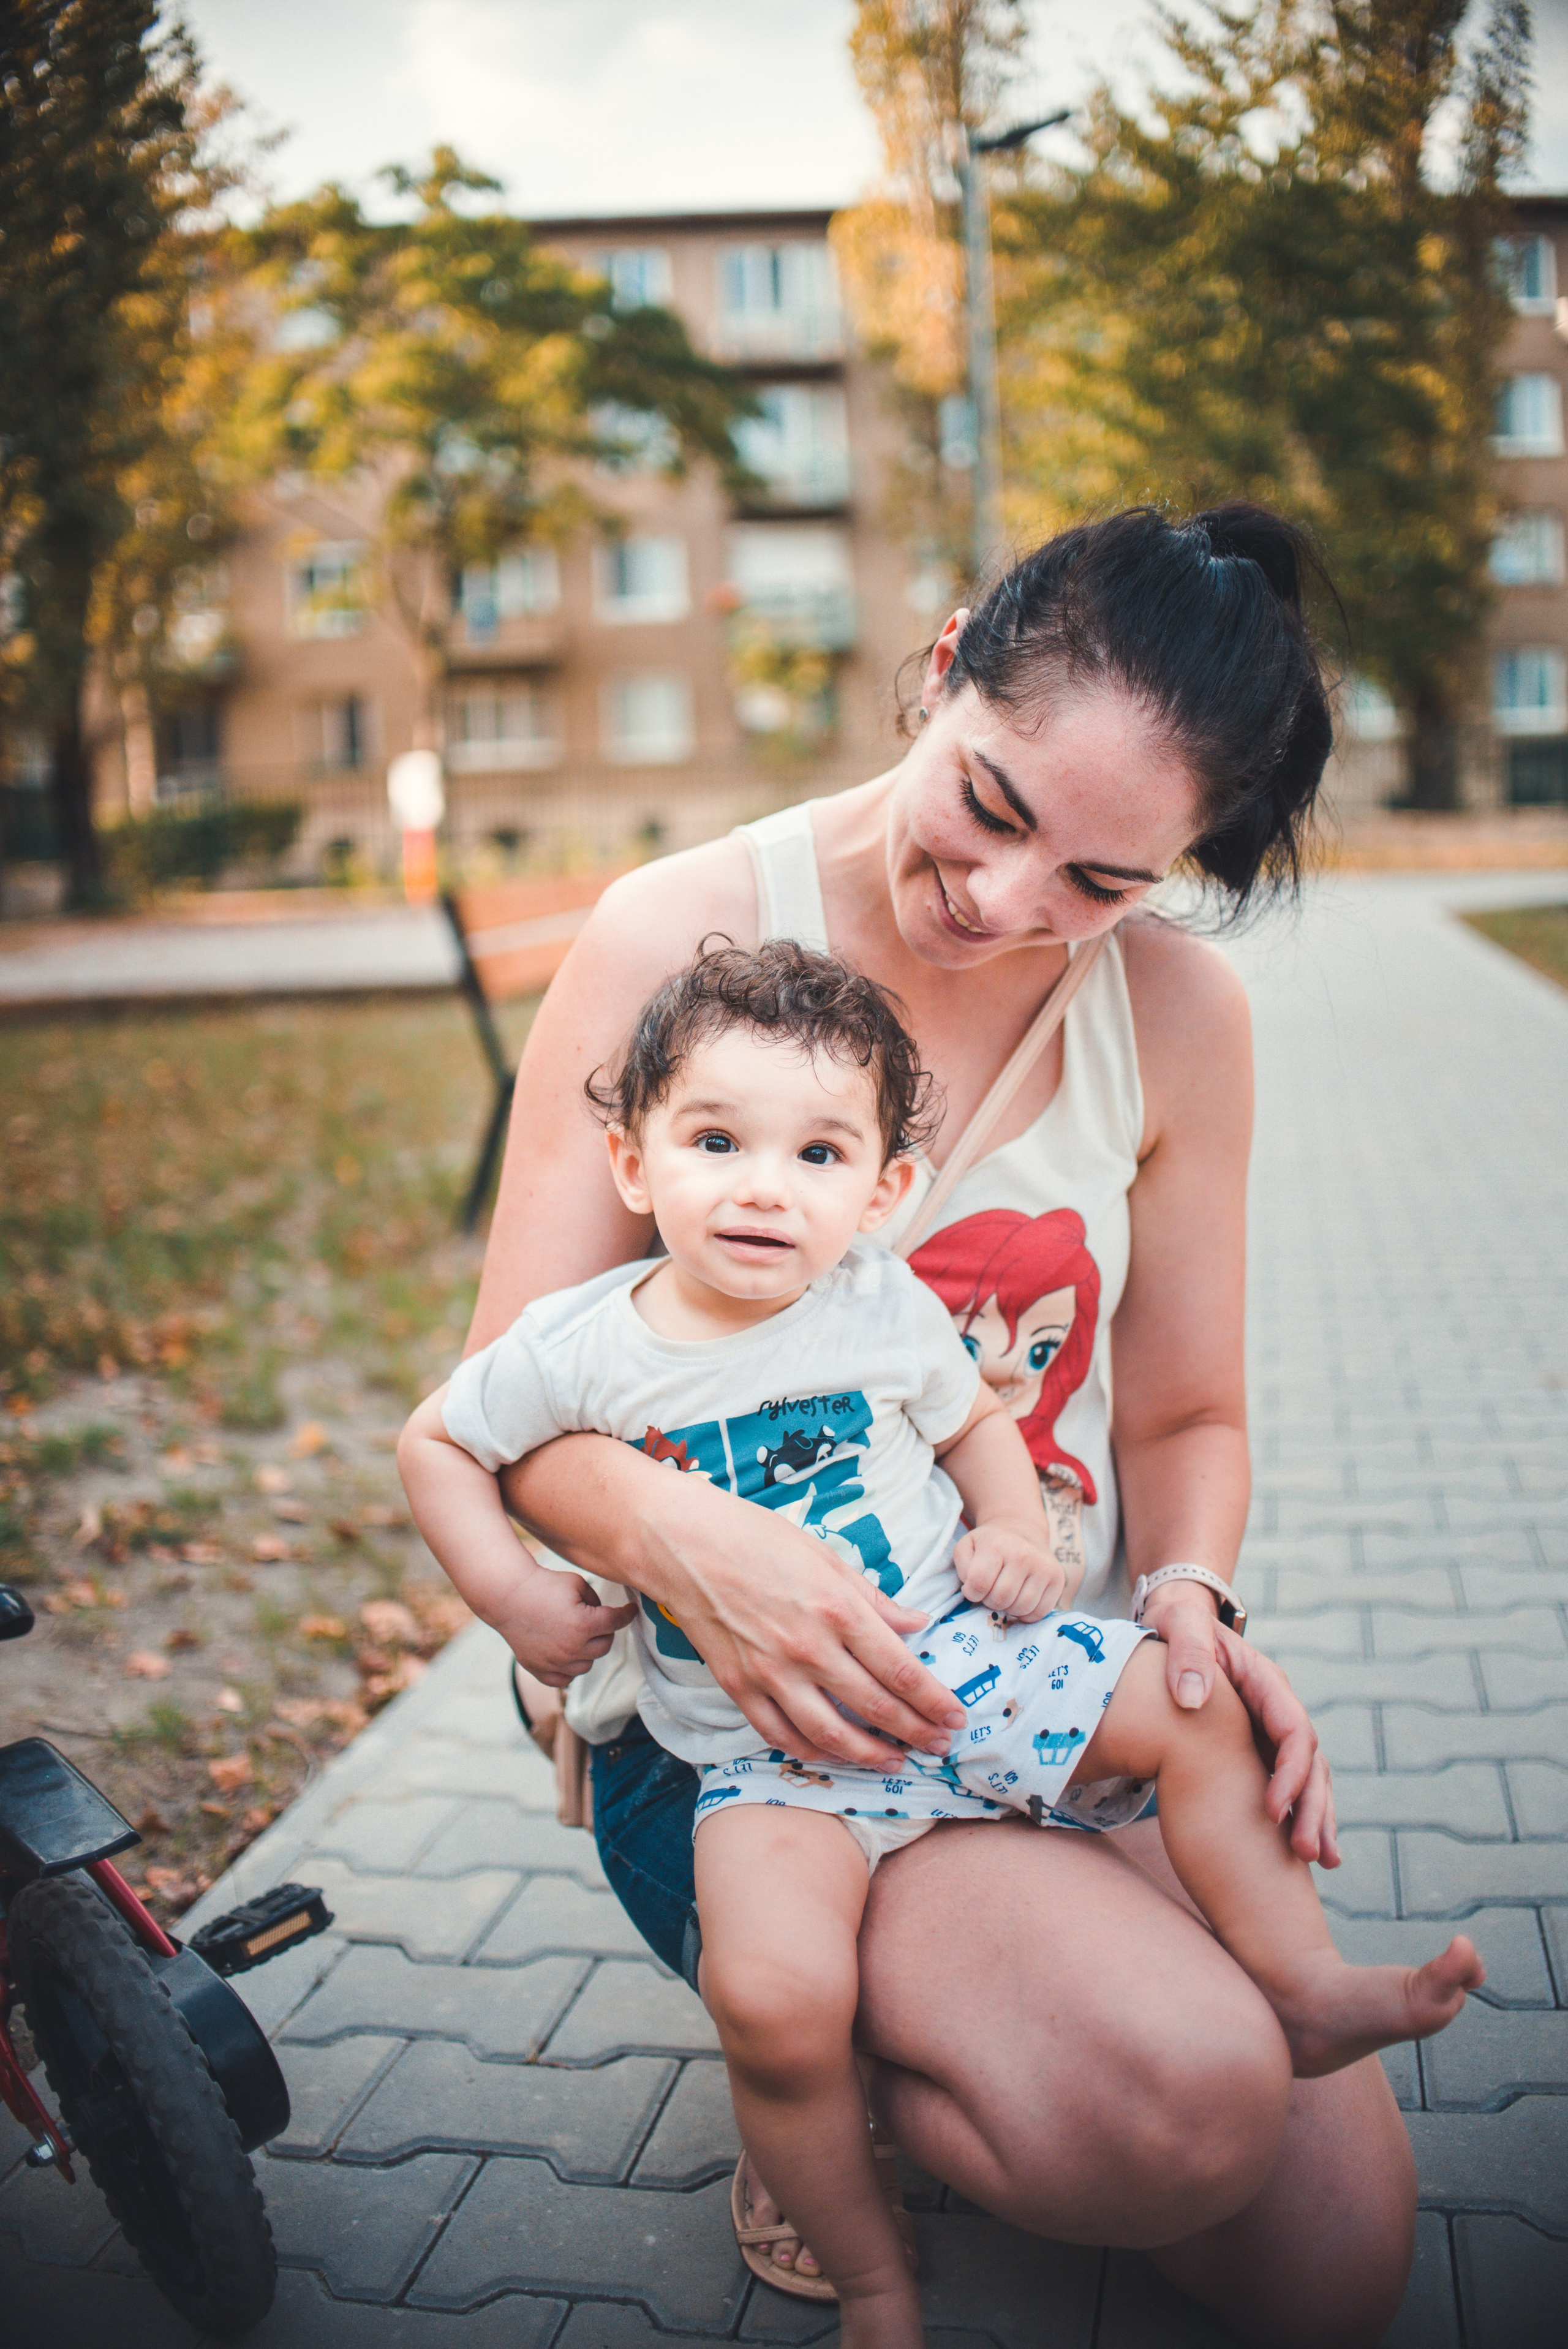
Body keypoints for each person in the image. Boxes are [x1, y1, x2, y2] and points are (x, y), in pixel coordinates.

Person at [454, 505, 1425, 2348]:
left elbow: (1194, 1407)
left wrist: (1195, 1599)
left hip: (1027, 1659)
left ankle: (938, 2015)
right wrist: (690, 1546)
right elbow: (507, 1410)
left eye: (1104, 880)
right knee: (1185, 2105)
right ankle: (799, 2074)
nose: (1008, 902)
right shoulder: (679, 934)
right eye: (991, 804)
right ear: (950, 652)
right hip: (747, 1719)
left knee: (1334, 2260)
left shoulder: (1182, 1020)